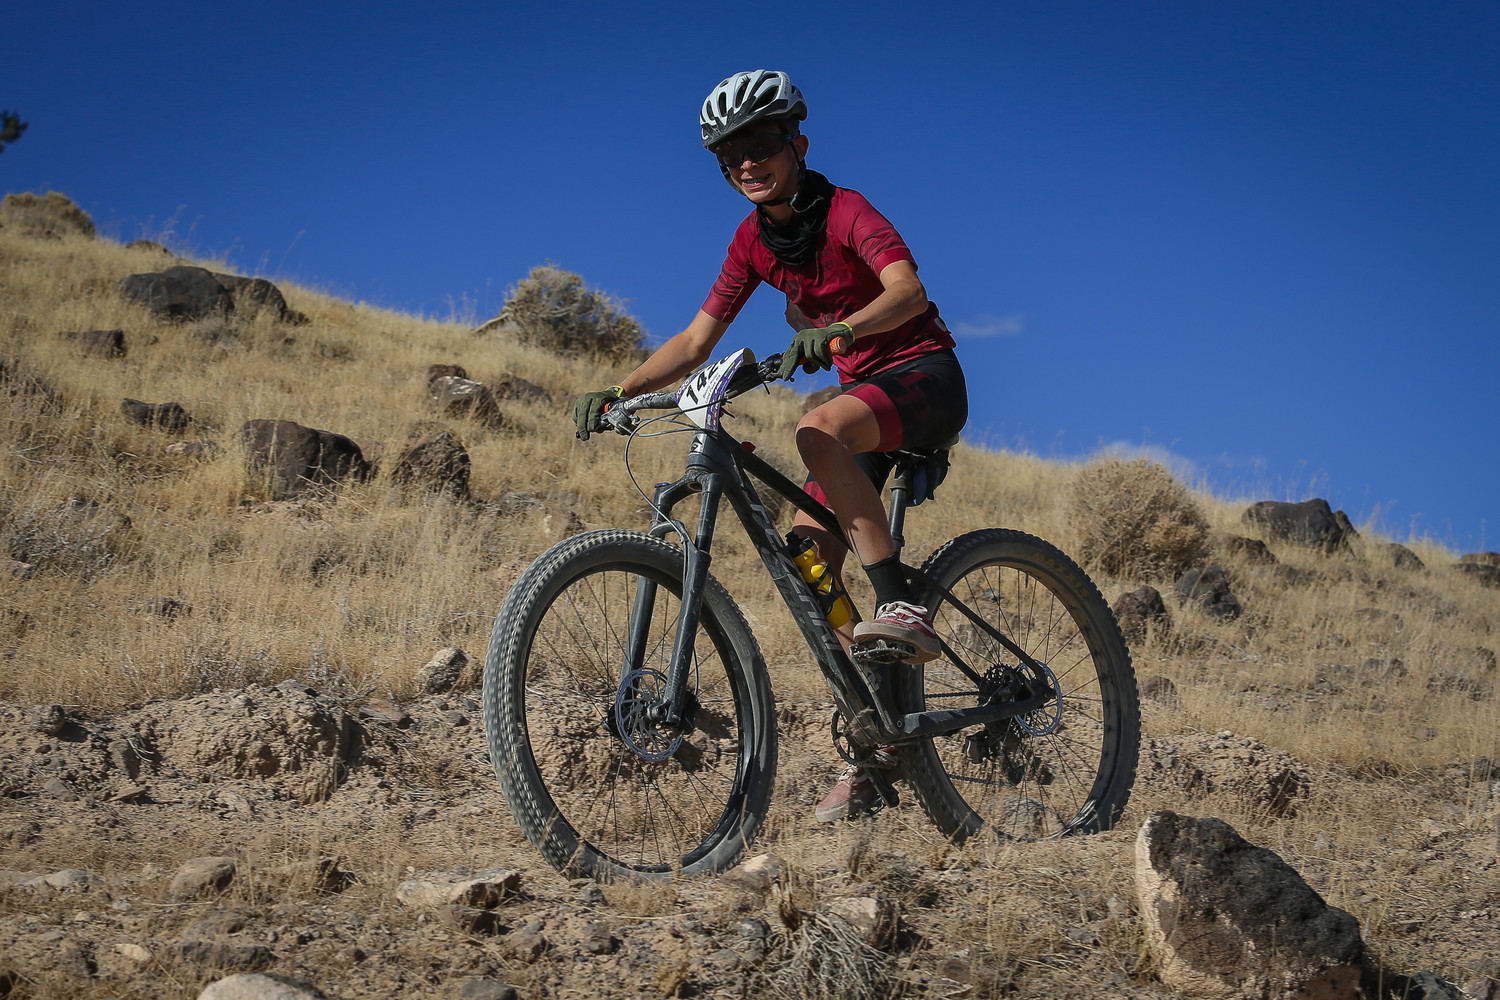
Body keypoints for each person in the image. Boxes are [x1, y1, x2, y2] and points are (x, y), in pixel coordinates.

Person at [573, 69, 968, 821]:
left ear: (798, 144)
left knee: (817, 429)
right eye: (729, 155)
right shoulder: (753, 242)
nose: (747, 162)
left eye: (760, 143)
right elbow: (695, 341)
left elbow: (907, 292)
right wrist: (620, 390)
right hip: (863, 397)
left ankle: (899, 606)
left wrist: (842, 329)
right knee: (810, 562)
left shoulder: (847, 211)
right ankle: (884, 732)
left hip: (924, 376)